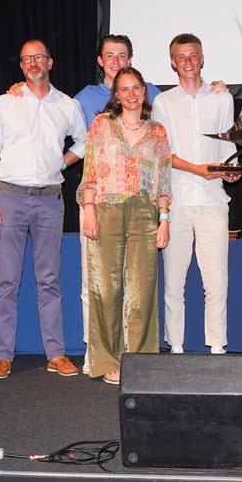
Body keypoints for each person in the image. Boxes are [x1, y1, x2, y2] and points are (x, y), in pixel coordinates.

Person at [0, 39, 86, 379]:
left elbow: (84, 143)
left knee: (50, 280)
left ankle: (55, 354)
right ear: (22, 65)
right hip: (9, 197)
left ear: (50, 62)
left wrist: (62, 160)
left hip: (49, 199)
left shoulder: (67, 105)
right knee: (7, 281)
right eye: (27, 58)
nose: (33, 63)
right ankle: (2, 356)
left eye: (38, 57)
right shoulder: (4, 103)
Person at [78, 67, 172, 384]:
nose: (131, 93)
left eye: (136, 88)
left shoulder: (157, 132)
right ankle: (107, 361)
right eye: (124, 89)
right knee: (105, 288)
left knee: (142, 291)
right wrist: (88, 210)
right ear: (116, 95)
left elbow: (164, 178)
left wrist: (164, 220)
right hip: (105, 208)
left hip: (145, 213)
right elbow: (89, 171)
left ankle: (141, 360)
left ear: (144, 92)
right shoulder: (101, 125)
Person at [151, 33, 237, 355]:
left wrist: (230, 169)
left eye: (193, 55)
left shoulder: (222, 98)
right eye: (181, 57)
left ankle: (217, 347)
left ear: (202, 59)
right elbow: (163, 154)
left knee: (216, 281)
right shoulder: (162, 102)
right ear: (173, 62)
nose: (188, 62)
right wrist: (197, 169)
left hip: (214, 200)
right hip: (177, 200)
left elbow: (229, 146)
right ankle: (175, 346)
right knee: (174, 280)